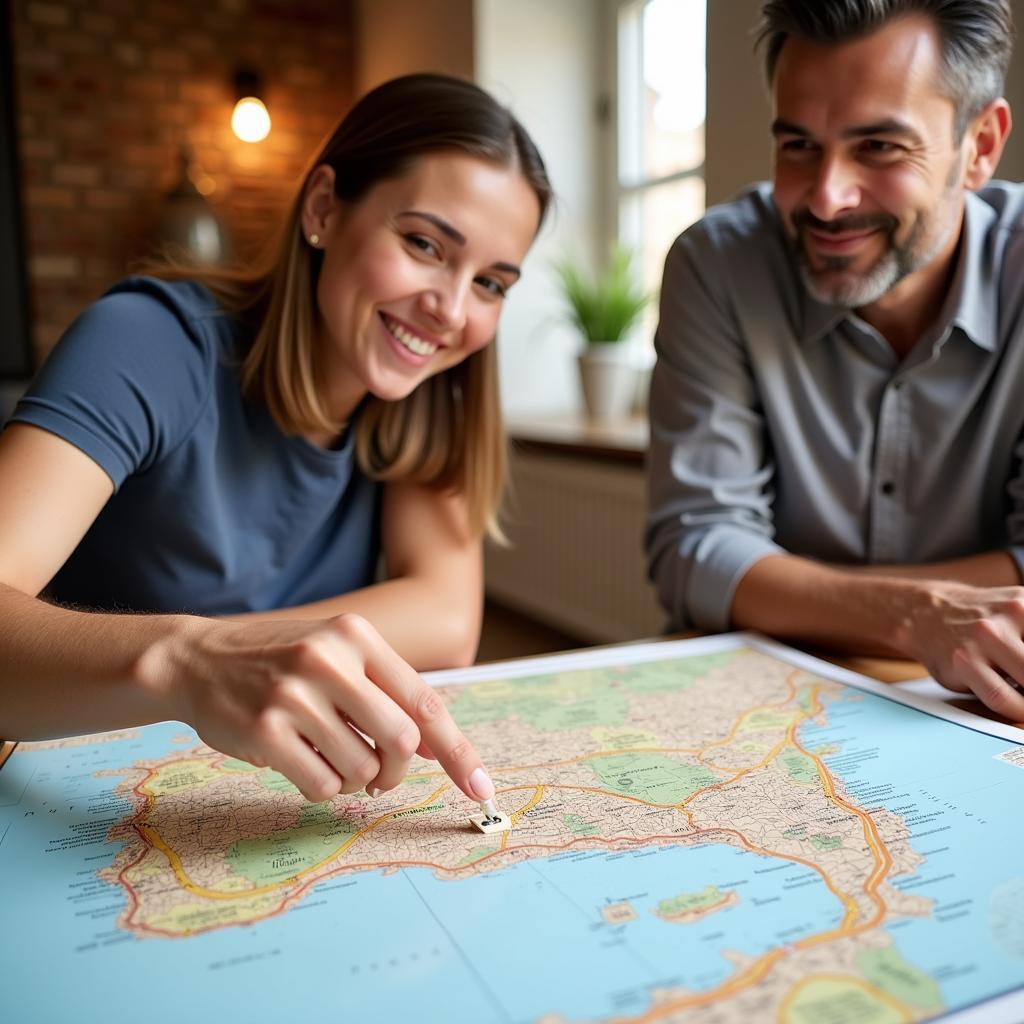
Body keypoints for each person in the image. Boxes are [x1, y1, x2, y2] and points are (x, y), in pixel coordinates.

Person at [0, 73, 551, 805]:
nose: (451, 310)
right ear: (323, 207)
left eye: (492, 284)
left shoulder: (427, 394)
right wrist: (191, 664)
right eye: (424, 244)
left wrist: (254, 661)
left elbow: (447, 620)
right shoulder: (147, 341)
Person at [646, 0, 1024, 718]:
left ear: (979, 146)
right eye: (798, 146)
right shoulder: (717, 266)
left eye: (879, 147)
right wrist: (917, 614)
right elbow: (695, 552)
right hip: (748, 704)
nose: (825, 198)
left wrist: (790, 589)